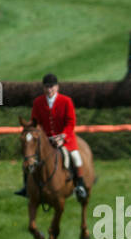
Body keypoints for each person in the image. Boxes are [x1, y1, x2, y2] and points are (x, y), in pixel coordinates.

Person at [15, 73, 88, 201]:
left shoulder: (66, 101)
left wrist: (63, 137)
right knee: (29, 159)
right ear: (43, 88)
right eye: (47, 87)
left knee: (76, 157)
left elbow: (71, 122)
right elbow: (35, 121)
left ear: (57, 87)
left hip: (65, 138)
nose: (49, 90)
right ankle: (27, 187)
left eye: (52, 87)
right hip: (46, 140)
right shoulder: (38, 102)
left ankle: (80, 185)